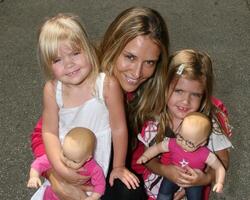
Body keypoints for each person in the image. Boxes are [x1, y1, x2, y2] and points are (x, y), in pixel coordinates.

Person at [30, 7, 169, 200]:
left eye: (150, 62)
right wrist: (55, 175)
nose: (137, 73)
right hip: (70, 163)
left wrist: (169, 184)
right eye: (130, 57)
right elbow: (44, 134)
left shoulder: (156, 94)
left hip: (107, 170)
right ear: (114, 47)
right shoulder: (78, 79)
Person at [133, 49, 233, 200]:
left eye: (195, 94)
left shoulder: (208, 125)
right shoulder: (156, 120)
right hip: (156, 190)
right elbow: (148, 158)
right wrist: (165, 171)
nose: (185, 101)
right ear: (165, 87)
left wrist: (205, 179)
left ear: (204, 95)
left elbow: (223, 160)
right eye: (178, 91)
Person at [137, 112, 226, 200]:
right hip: (173, 174)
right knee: (164, 191)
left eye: (190, 143)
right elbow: (157, 148)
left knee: (195, 197)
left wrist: (219, 182)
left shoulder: (205, 154)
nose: (183, 144)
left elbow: (219, 167)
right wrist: (145, 156)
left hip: (194, 181)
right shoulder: (173, 143)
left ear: (202, 143)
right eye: (180, 137)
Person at [28, 127, 106, 200]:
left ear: (88, 158)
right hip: (53, 194)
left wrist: (93, 197)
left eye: (74, 161)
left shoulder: (94, 168)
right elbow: (39, 163)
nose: (68, 162)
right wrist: (34, 176)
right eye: (64, 155)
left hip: (78, 193)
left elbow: (100, 185)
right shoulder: (58, 156)